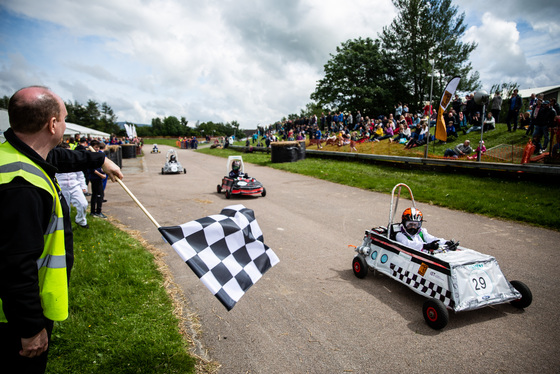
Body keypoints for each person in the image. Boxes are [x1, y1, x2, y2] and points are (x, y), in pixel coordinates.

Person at [0, 86, 122, 373]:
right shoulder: (22, 186)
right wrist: (30, 328)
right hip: (13, 319)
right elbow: (15, 265)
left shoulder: (15, 155)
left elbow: (60, 159)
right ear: (52, 124)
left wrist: (99, 159)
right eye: (64, 119)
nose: (66, 126)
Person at [55, 143, 89, 229]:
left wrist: (83, 187)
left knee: (83, 204)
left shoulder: (74, 162)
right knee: (65, 209)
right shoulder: (55, 162)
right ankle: (65, 225)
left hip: (75, 186)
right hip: (62, 187)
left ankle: (81, 221)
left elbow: (80, 175)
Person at [87, 140, 108, 219]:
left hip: (98, 177)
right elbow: (92, 169)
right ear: (91, 147)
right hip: (95, 178)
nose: (97, 149)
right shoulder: (90, 156)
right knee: (99, 195)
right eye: (95, 147)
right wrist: (101, 175)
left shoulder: (97, 155)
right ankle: (97, 212)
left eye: (98, 147)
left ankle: (94, 212)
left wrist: (103, 171)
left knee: (96, 195)